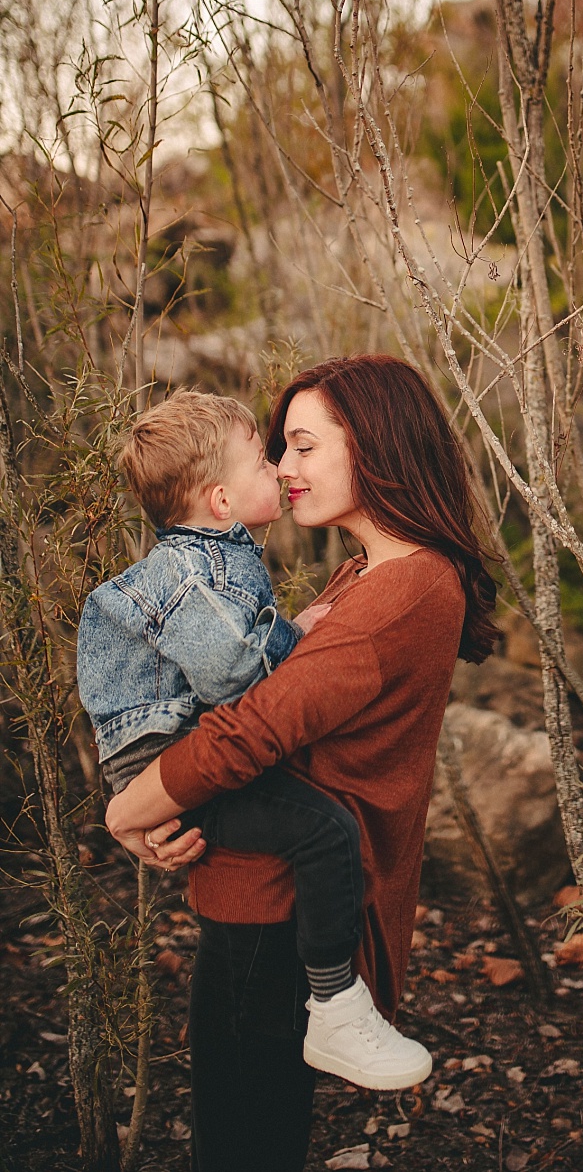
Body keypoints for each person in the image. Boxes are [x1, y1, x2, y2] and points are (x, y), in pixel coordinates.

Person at [105, 354, 504, 1168]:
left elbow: (251, 730)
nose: (284, 469)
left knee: (244, 1141)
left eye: (304, 446)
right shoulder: (371, 574)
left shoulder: (406, 587)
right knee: (246, 1127)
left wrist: (127, 810)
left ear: (378, 446)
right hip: (262, 886)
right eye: (280, 449)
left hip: (280, 910)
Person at [79, 389, 428, 1092]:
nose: (277, 467)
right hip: (162, 753)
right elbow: (236, 669)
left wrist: (292, 626)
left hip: (176, 743)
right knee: (325, 832)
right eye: (265, 459)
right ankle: (335, 1004)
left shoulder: (214, 554)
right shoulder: (187, 574)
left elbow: (231, 643)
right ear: (220, 502)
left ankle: (332, 1003)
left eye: (294, 450)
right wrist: (301, 635)